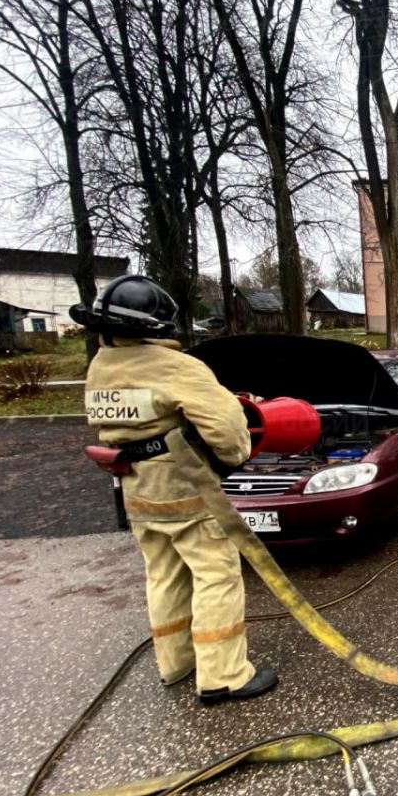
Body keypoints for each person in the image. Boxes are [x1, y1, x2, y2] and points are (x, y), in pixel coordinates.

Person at [72, 276, 277, 705]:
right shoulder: (176, 368)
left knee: (163, 575)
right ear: (157, 325)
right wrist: (231, 457)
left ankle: (176, 663)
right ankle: (223, 675)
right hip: (183, 489)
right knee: (215, 576)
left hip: (136, 491)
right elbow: (227, 429)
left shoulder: (101, 367)